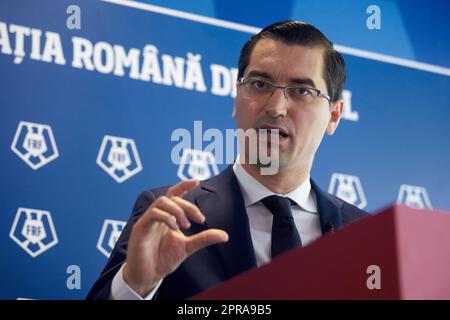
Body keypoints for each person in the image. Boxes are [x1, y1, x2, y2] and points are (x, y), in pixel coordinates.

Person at [86, 20, 369, 300]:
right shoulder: (172, 218)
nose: (275, 107)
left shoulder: (364, 236)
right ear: (237, 98)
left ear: (333, 116)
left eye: (301, 91)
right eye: (259, 84)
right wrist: (136, 285)